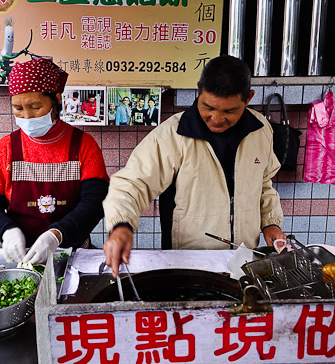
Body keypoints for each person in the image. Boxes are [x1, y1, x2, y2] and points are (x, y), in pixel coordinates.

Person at [103, 55, 285, 277]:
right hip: (187, 262)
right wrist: (121, 225)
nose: (216, 118)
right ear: (199, 89)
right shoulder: (172, 135)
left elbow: (264, 182)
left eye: (229, 111)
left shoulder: (260, 129)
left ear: (248, 98)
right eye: (208, 106)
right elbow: (133, 183)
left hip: (244, 260)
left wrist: (270, 222)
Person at [0, 58, 109, 265]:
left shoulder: (84, 145)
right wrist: (6, 230)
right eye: (17, 108)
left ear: (56, 99)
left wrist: (57, 234)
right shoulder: (6, 148)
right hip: (22, 256)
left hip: (73, 253)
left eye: (35, 107)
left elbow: (95, 201)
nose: (26, 116)